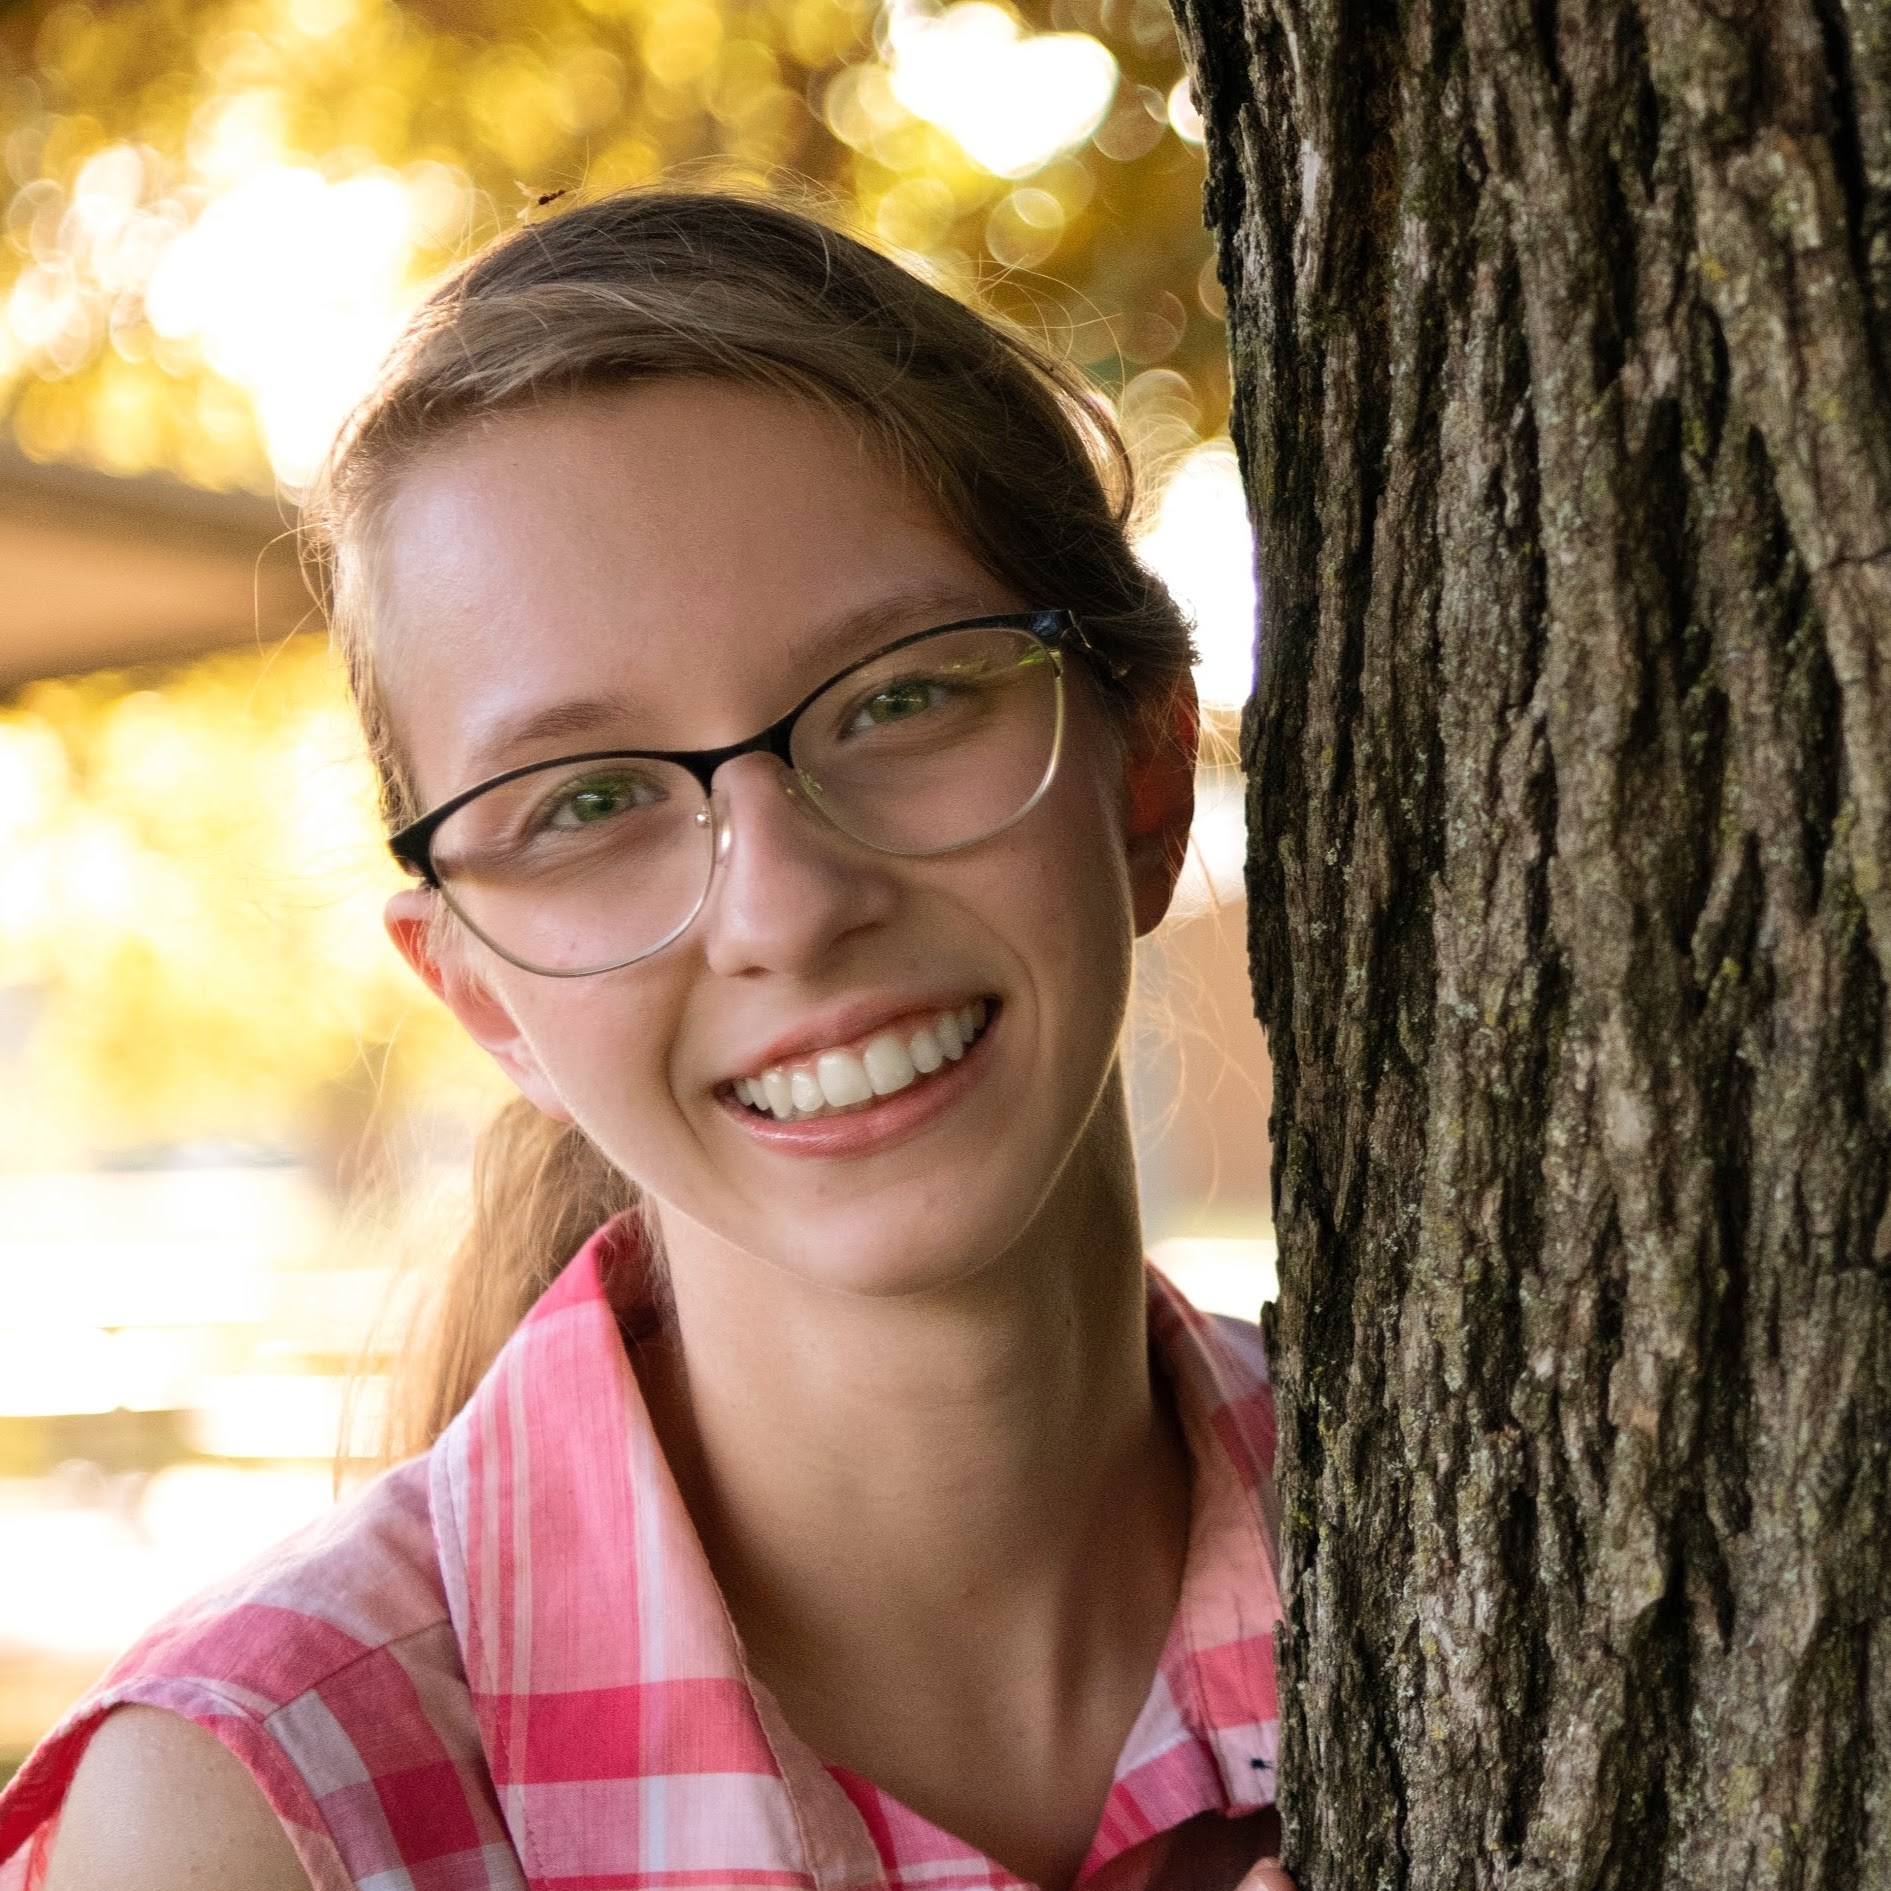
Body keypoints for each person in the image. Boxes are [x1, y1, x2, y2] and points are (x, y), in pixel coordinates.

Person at [0, 189, 1295, 1891]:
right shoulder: (260, 1818)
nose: (785, 903)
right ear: (476, 992)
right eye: (587, 802)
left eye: (900, 696)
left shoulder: (1524, 1534)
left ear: (1141, 775)